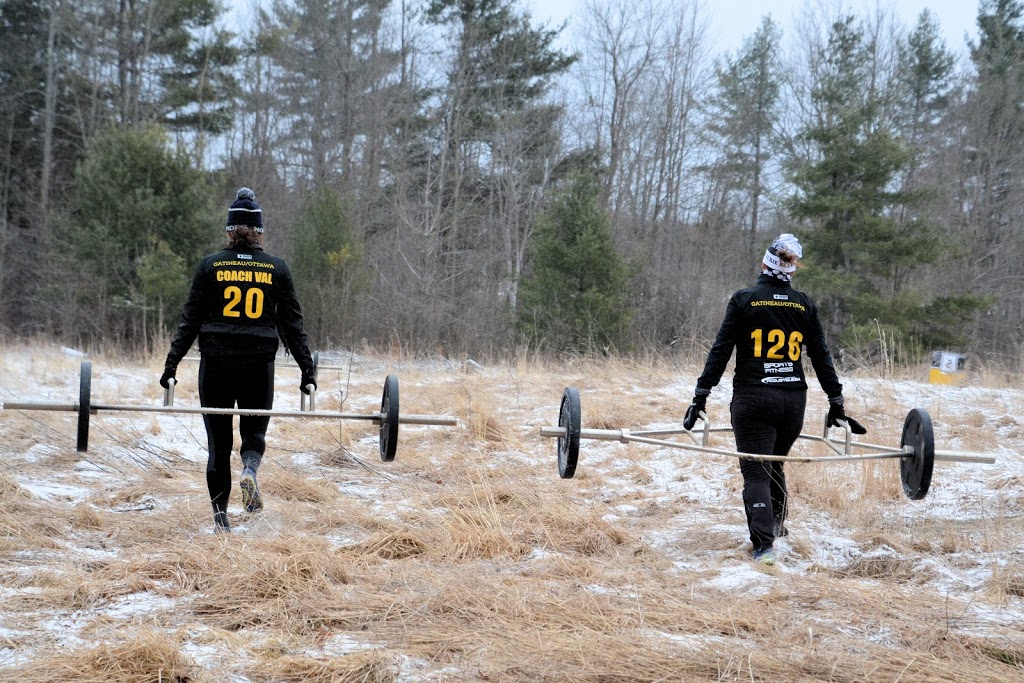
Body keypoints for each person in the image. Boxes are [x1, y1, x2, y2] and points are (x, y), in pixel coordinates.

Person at [682, 233, 865, 566]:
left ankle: (763, 547)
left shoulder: (744, 299)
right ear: (792, 271)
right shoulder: (804, 303)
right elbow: (822, 356)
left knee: (755, 471)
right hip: (794, 401)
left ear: (764, 264)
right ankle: (777, 527)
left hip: (754, 397)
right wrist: (836, 401)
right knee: (774, 462)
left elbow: (721, 350)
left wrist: (701, 395)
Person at [160, 187, 317, 532]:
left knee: (218, 445)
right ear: (259, 231)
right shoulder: (277, 269)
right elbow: (293, 326)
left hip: (215, 363)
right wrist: (308, 370)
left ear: (230, 230)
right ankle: (249, 468)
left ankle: (221, 520)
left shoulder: (210, 266)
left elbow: (190, 321)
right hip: (258, 364)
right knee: (253, 432)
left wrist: (171, 365)